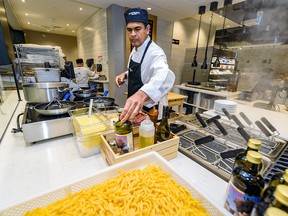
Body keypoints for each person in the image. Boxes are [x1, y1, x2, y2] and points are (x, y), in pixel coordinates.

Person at [115, 7, 175, 123]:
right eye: (129, 30)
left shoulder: (156, 53)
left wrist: (141, 94)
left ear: (147, 29)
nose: (133, 34)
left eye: (137, 29)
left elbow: (163, 75)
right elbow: (142, 72)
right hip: (136, 108)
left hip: (151, 110)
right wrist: (126, 75)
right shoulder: (135, 49)